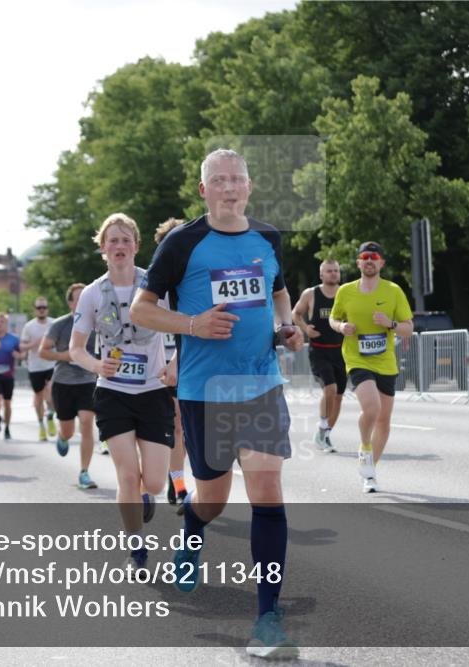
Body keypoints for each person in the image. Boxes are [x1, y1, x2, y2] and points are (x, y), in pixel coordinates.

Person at [130, 148, 304, 659]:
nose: (230, 188)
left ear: (249, 187)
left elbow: (278, 291)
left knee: (267, 486)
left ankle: (267, 617)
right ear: (204, 190)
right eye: (219, 181)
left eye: (238, 180)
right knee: (213, 500)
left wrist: (286, 325)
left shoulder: (268, 237)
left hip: (261, 383)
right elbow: (143, 309)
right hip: (206, 391)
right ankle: (191, 527)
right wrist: (192, 325)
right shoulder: (182, 244)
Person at [70, 213, 176, 571]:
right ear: (103, 249)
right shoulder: (90, 294)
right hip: (112, 391)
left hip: (152, 390)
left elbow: (181, 330)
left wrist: (174, 364)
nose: (119, 246)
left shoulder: (156, 285)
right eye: (112, 241)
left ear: (136, 246)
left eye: (125, 240)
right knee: (127, 475)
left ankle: (147, 496)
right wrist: (98, 366)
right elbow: (76, 349)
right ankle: (136, 549)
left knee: (157, 483)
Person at [328, 241, 413, 493]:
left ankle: (370, 471)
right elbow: (334, 318)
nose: (369, 260)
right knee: (372, 408)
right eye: (364, 256)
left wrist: (390, 323)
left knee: (384, 421)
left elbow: (408, 328)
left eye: (374, 257)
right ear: (358, 263)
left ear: (381, 263)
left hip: (385, 361)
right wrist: (341, 327)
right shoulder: (345, 291)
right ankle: (365, 447)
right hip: (357, 359)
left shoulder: (393, 291)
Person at [40, 283, 98, 489]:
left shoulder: (98, 323)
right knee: (68, 431)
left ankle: (84, 472)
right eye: (78, 298)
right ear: (71, 302)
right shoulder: (60, 325)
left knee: (86, 422)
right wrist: (63, 356)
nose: (83, 302)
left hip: (88, 381)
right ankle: (62, 437)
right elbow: (43, 351)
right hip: (64, 382)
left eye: (86, 298)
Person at [154, 217, 190, 512]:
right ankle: (179, 485)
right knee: (177, 427)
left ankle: (175, 475)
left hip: (190, 362)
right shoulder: (152, 286)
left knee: (192, 431)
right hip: (160, 369)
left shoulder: (196, 281)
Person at [292, 259, 345, 453]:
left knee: (339, 397)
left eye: (336, 271)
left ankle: (325, 433)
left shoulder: (345, 293)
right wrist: (306, 328)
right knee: (330, 388)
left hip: (341, 351)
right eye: (329, 271)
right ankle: (323, 426)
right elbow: (295, 314)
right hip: (319, 350)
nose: (333, 274)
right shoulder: (311, 293)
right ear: (321, 274)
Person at [20, 297, 58, 441]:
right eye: (39, 308)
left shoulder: (54, 323)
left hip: (51, 364)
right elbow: (22, 346)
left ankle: (50, 415)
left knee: (51, 391)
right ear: (35, 310)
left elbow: (62, 341)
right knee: (38, 397)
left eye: (44, 307)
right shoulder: (29, 326)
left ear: (47, 309)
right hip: (35, 367)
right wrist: (33, 344)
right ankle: (42, 425)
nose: (41, 310)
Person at [0, 312, 22, 440]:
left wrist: (18, 356)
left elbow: (21, 354)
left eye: (2, 322)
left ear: (6, 324)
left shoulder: (13, 339)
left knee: (7, 404)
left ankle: (7, 428)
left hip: (8, 376)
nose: (0, 324)